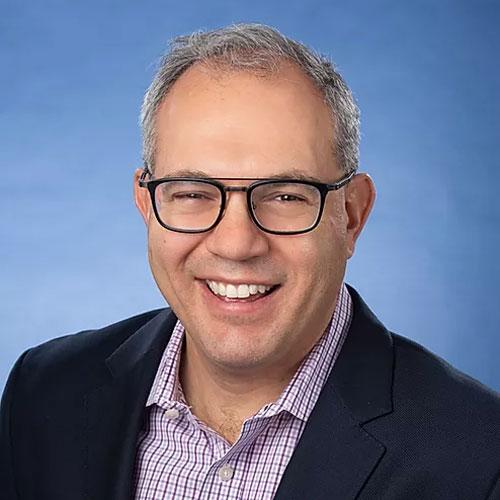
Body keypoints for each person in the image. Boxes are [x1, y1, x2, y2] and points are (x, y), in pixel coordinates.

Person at [1, 23, 499, 500]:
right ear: (147, 204)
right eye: (193, 192)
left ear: (351, 215)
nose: (237, 244)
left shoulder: (480, 457)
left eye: (285, 196)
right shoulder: (45, 392)